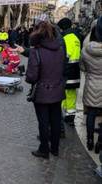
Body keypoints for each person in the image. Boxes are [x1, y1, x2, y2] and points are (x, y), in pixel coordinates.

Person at [26, 21, 65, 159]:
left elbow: (31, 76)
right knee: (55, 121)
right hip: (58, 90)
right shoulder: (60, 49)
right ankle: (55, 148)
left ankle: (44, 149)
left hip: (42, 92)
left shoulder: (35, 51)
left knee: (43, 122)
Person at [80, 18, 102, 151]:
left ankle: (89, 140)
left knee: (91, 114)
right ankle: (100, 142)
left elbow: (82, 67)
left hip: (91, 83)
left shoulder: (86, 50)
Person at [57, 18, 81, 126]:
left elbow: (64, 55)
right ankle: (70, 115)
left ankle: (65, 115)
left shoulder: (66, 38)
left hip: (67, 69)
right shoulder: (77, 37)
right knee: (71, 93)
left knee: (63, 93)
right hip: (75, 70)